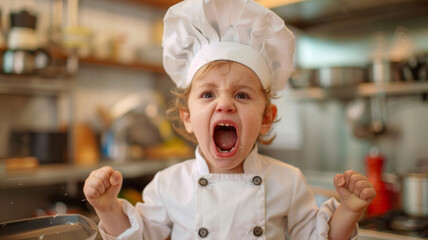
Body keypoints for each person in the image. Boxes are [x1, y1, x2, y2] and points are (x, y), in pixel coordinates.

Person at [83, 0, 376, 239]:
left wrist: (349, 210)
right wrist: (108, 208)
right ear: (187, 117)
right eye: (208, 95)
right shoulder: (169, 184)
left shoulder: (288, 181)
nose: (224, 104)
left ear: (266, 118)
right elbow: (139, 236)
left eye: (242, 95)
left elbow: (318, 237)